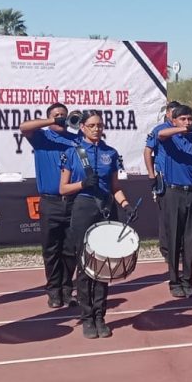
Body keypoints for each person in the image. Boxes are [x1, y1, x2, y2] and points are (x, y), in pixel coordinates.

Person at [60, 110, 133, 339]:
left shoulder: (110, 153)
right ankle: (87, 316)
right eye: (91, 125)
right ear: (82, 127)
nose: (96, 129)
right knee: (85, 265)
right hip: (83, 207)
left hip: (106, 208)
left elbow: (115, 187)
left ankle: (100, 315)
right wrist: (82, 183)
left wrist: (126, 204)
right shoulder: (72, 152)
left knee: (104, 265)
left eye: (99, 125)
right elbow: (62, 189)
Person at [19, 103, 80, 308]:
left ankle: (67, 288)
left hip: (73, 201)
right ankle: (53, 291)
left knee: (71, 249)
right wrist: (53, 121)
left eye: (64, 115)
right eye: (57, 115)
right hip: (50, 201)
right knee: (51, 249)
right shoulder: (42, 137)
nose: (62, 118)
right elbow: (24, 127)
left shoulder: (76, 139)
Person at [156, 105, 192, 298]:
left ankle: (188, 280)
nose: (188, 122)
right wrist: (181, 129)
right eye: (183, 119)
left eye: (190, 119)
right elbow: (161, 135)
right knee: (174, 238)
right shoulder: (169, 137)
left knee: (189, 238)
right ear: (174, 121)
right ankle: (174, 281)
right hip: (173, 192)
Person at [144, 101, 182, 262]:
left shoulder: (183, 130)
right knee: (166, 216)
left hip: (181, 180)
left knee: (181, 218)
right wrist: (151, 174)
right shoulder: (159, 130)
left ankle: (180, 250)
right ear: (167, 114)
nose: (174, 116)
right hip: (164, 179)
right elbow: (148, 152)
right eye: (172, 113)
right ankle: (167, 251)